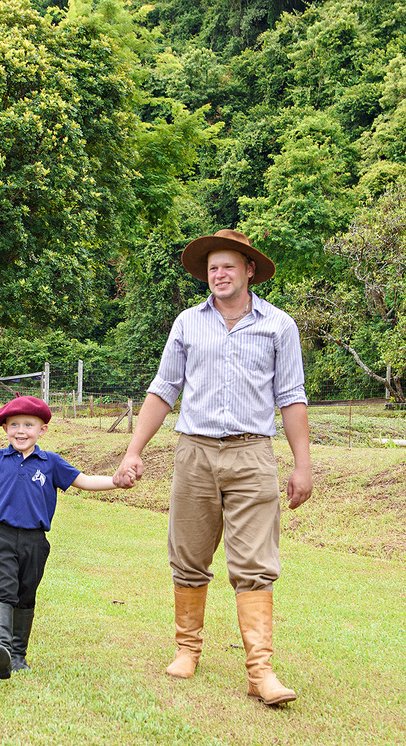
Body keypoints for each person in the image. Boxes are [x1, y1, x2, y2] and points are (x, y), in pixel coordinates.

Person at [113, 229, 312, 705]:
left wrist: (303, 464)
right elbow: (164, 389)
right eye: (212, 268)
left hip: (252, 454)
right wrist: (133, 450)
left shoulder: (279, 326)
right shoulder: (187, 323)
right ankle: (187, 649)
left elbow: (291, 397)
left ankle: (260, 671)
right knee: (188, 553)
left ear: (249, 270)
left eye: (228, 266)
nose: (219, 275)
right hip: (195, 452)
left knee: (255, 563)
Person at [0, 395, 124, 679]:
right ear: (5, 428)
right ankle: (1, 646)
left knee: (26, 596)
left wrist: (116, 481)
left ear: (42, 430)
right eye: (14, 424)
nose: (21, 431)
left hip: (35, 542)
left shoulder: (51, 463)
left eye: (29, 425)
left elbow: (86, 481)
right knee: (1, 589)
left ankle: (17, 656)